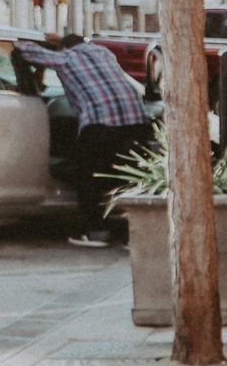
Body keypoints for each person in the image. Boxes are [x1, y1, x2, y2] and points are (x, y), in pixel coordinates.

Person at [17, 32, 154, 247]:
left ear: (64, 48)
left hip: (102, 125)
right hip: (137, 123)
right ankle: (134, 235)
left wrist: (37, 40)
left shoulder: (66, 58)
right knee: (128, 177)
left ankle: (97, 232)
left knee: (87, 177)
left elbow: (25, 51)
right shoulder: (104, 53)